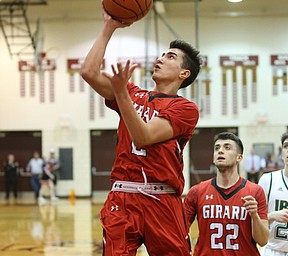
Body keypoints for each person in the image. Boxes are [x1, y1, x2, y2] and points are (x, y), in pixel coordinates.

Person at [80, 3, 201, 256]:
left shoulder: (185, 109)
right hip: (122, 197)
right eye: (162, 54)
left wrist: (121, 93)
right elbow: (89, 72)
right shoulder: (134, 93)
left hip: (162, 200)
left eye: (170, 57)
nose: (160, 59)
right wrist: (109, 26)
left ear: (183, 73)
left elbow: (144, 136)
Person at [184, 132, 269, 256]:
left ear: (239, 157)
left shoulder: (255, 191)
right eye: (217, 148)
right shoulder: (197, 191)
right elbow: (179, 231)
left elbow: (263, 241)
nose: (220, 151)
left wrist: (254, 216)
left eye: (227, 148)